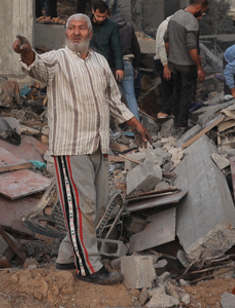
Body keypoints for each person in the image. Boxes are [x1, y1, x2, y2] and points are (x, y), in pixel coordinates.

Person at [13, 15, 150, 285]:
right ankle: (88, 267)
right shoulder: (56, 59)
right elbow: (36, 67)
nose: (76, 33)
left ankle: (66, 256)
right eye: (72, 29)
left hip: (98, 145)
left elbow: (113, 98)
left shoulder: (100, 61)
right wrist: (27, 51)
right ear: (66, 33)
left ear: (90, 32)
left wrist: (135, 123)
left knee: (96, 206)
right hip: (71, 147)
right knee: (82, 206)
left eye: (82, 28)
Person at [163, 0, 209, 128]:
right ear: (199, 7)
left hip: (173, 63)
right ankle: (182, 124)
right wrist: (199, 67)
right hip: (186, 65)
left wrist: (170, 55)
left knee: (177, 91)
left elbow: (166, 39)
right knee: (186, 94)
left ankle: (177, 120)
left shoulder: (175, 16)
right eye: (203, 10)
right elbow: (192, 47)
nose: (202, 14)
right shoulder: (191, 21)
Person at [112, 11, 142, 119]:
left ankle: (115, 126)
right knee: (130, 97)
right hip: (128, 62)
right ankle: (136, 127)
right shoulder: (129, 27)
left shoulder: (110, 28)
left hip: (113, 65)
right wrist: (135, 66)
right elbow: (136, 48)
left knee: (111, 97)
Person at [90, 1, 124, 82]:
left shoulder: (112, 26)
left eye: (103, 16)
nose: (101, 19)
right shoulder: (85, 23)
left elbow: (117, 47)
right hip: (88, 63)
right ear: (93, 11)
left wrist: (119, 67)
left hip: (106, 64)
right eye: (98, 16)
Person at [154, 16, 173, 120]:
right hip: (163, 62)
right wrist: (166, 66)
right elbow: (162, 46)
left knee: (168, 90)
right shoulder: (167, 25)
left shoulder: (168, 24)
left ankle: (165, 114)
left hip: (164, 61)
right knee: (177, 88)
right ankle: (164, 112)